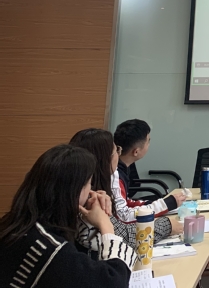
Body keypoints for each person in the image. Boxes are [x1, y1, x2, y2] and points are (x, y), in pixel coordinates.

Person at [0, 144, 136, 288]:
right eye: (89, 184)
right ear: (74, 192)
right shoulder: (51, 251)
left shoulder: (17, 224)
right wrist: (105, 225)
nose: (92, 191)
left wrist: (84, 212)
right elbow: (113, 281)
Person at [69, 129, 180, 251]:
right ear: (104, 160)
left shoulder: (87, 190)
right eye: (116, 150)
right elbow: (125, 237)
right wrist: (166, 225)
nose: (119, 154)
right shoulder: (89, 200)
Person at [114, 119, 185, 216]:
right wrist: (166, 204)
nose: (149, 145)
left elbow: (125, 203)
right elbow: (123, 215)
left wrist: (157, 205)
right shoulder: (114, 175)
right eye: (148, 142)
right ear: (136, 151)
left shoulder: (121, 168)